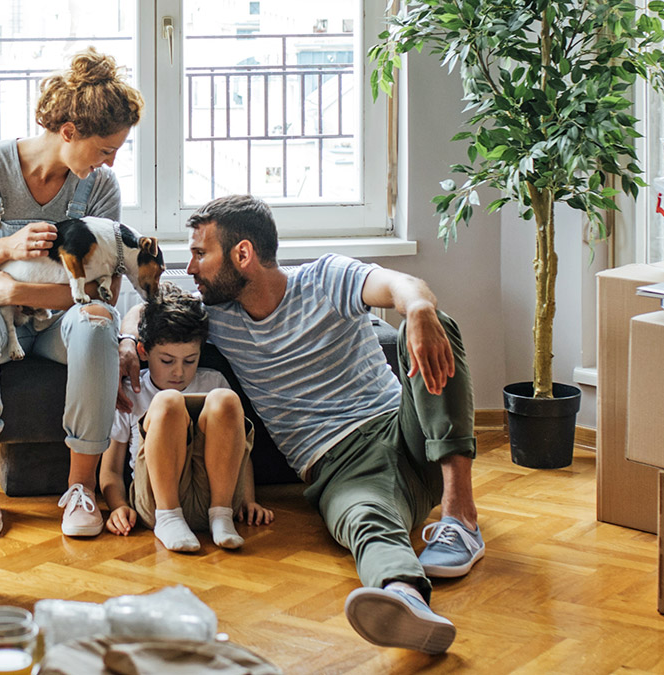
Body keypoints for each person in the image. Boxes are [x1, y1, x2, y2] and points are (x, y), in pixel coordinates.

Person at [149, 194, 484, 654]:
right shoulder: (216, 317)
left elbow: (401, 284)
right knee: (366, 523)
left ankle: (461, 517)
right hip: (337, 468)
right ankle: (406, 601)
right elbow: (148, 311)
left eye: (200, 253)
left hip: (404, 428)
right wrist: (130, 339)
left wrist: (421, 310)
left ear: (242, 255)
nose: (190, 268)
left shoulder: (325, 278)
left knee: (431, 321)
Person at [0, 48, 143, 538]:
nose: (111, 160)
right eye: (106, 148)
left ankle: (80, 489)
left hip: (57, 321)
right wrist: (6, 245)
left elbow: (104, 291)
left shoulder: (99, 187)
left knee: (96, 323)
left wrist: (19, 288)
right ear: (69, 133)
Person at [97, 285, 275, 553]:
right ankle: (170, 519)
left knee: (225, 400)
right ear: (143, 352)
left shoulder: (213, 380)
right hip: (156, 503)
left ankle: (221, 517)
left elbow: (240, 454)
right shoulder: (130, 393)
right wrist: (118, 507)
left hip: (217, 496)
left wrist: (248, 499)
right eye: (167, 361)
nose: (179, 372)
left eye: (190, 360)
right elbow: (110, 469)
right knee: (168, 401)